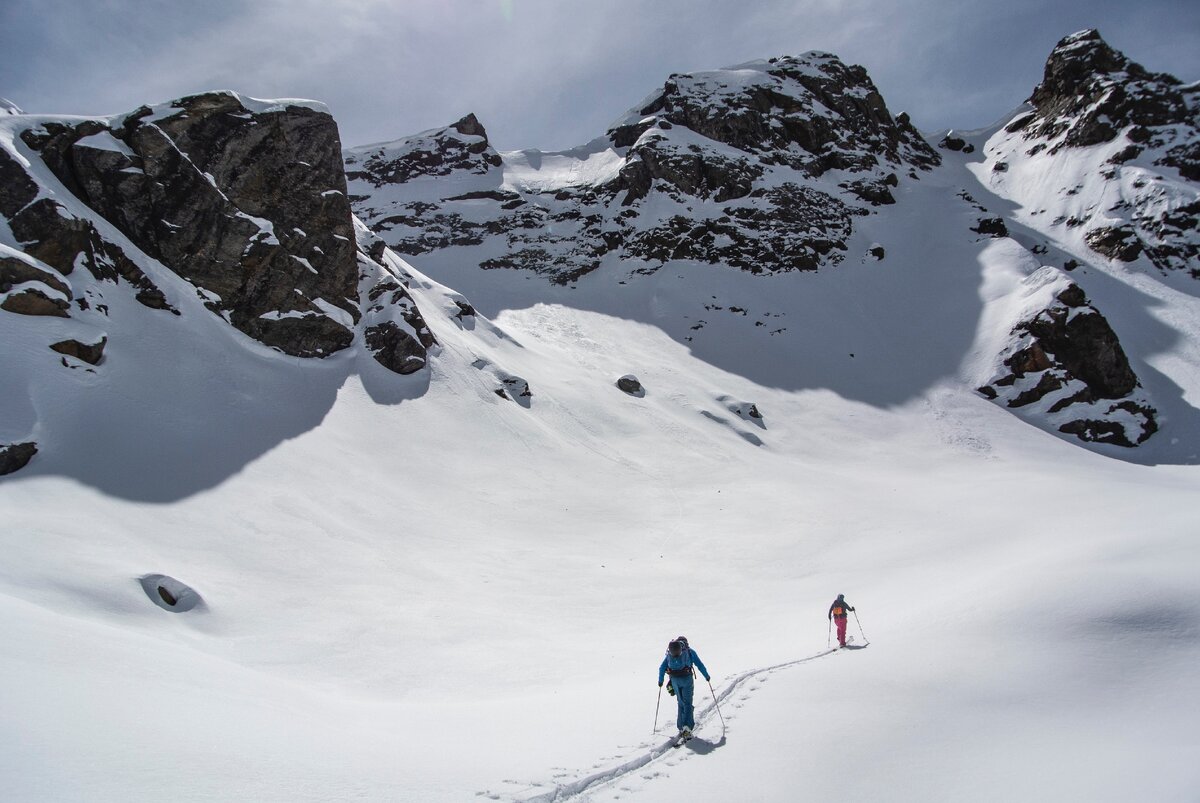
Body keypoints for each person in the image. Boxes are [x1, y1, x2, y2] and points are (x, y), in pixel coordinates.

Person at [657, 636, 710, 741]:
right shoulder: (689, 651)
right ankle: (687, 728)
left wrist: (661, 681)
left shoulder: (670, 653)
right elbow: (699, 665)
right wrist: (706, 676)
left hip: (674, 680)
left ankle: (681, 727)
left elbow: (662, 667)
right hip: (686, 679)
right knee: (688, 703)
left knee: (680, 702)